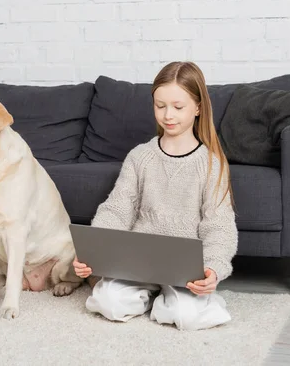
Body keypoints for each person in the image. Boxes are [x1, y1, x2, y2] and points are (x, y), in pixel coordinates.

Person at [73, 61, 238, 331]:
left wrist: (213, 268)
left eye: (178, 107)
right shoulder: (140, 156)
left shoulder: (211, 164)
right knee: (107, 303)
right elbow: (117, 209)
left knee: (188, 316)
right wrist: (93, 253)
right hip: (137, 262)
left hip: (185, 272)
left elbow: (220, 226)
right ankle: (150, 296)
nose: (168, 115)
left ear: (198, 107)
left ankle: (166, 300)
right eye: (160, 106)